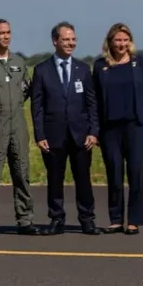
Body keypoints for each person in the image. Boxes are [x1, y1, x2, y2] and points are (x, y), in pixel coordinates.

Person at [29, 21, 100, 235]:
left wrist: (93, 131)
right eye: (66, 39)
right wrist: (40, 134)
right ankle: (56, 219)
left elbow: (92, 103)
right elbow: (37, 106)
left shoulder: (82, 69)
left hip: (81, 135)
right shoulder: (42, 70)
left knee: (83, 179)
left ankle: (87, 219)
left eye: (73, 39)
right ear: (55, 41)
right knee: (55, 179)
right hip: (53, 135)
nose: (71, 43)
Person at [92, 23, 143, 235]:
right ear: (110, 42)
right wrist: (95, 129)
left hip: (136, 125)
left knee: (136, 172)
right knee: (114, 173)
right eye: (117, 40)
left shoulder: (140, 63)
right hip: (109, 128)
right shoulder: (100, 65)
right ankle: (116, 219)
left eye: (125, 40)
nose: (121, 44)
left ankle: (134, 220)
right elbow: (94, 101)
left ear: (130, 41)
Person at [0, 19, 44, 235]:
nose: (6, 37)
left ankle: (25, 219)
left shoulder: (19, 62)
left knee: (22, 172)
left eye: (8, 32)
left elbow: (25, 90)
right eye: (1, 33)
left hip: (18, 123)